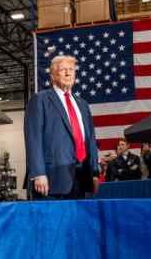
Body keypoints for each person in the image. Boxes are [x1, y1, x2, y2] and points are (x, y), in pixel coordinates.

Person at [24, 55, 98, 199]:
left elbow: (91, 140)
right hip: (51, 180)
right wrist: (38, 172)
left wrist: (94, 172)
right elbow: (33, 138)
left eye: (71, 69)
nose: (68, 73)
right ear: (52, 75)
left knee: (78, 221)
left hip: (82, 178)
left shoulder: (83, 104)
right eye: (63, 69)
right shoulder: (40, 100)